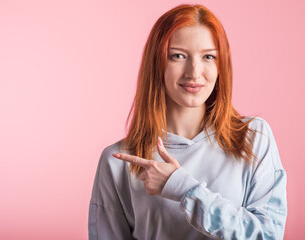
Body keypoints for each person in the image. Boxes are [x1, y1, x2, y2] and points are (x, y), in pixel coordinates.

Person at [88, 3, 287, 240]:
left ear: (220, 65)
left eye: (208, 56)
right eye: (178, 56)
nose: (194, 72)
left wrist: (183, 189)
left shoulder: (253, 138)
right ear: (157, 64)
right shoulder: (119, 160)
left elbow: (267, 235)